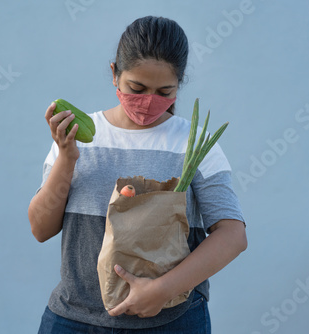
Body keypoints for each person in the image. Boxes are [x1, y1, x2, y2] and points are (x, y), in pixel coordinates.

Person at [28, 15, 247, 334]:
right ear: (115, 73)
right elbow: (41, 229)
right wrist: (67, 157)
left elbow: (233, 235)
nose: (148, 102)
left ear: (179, 85)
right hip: (74, 319)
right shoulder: (78, 137)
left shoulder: (195, 144)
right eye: (137, 87)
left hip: (172, 320)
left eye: (164, 91)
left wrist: (162, 290)